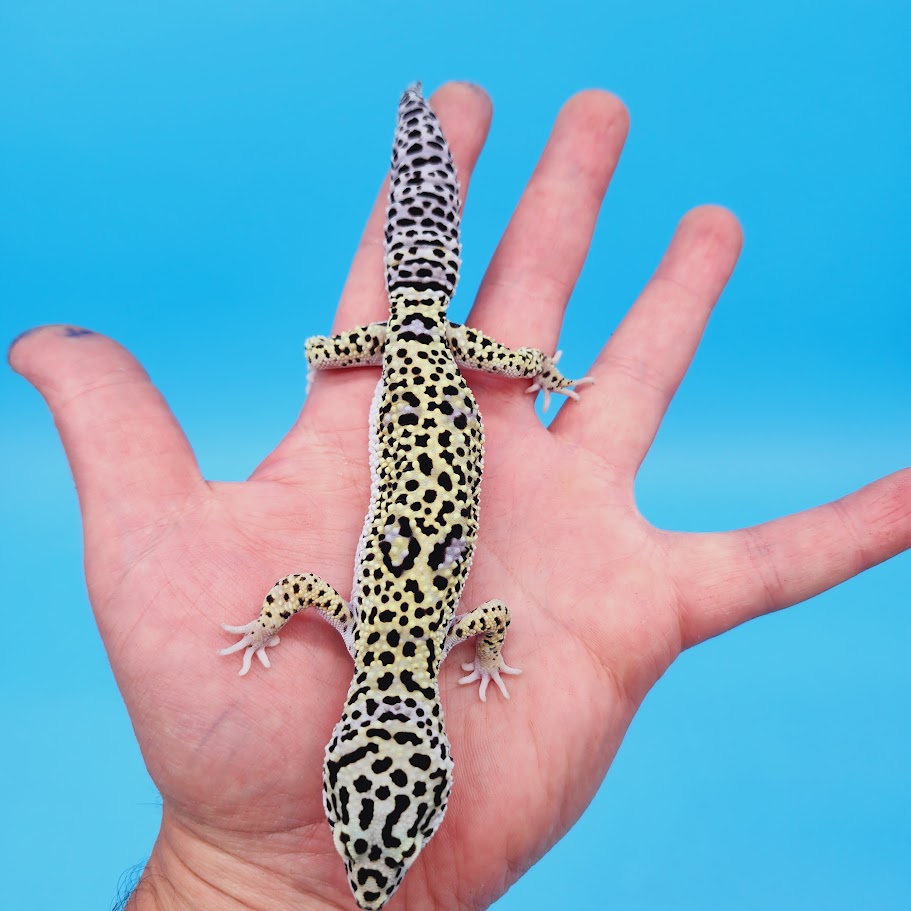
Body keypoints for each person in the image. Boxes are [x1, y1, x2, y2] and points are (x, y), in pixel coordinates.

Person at [9, 82, 910, 911]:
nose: (373, 879)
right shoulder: (379, 640)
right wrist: (270, 627)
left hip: (411, 360)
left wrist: (444, 647)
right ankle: (416, 144)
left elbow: (467, 622)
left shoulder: (430, 644)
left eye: (370, 846)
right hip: (415, 361)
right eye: (388, 851)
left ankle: (419, 147)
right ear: (415, 765)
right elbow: (307, 599)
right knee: (414, 319)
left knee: (416, 313)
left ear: (345, 759)